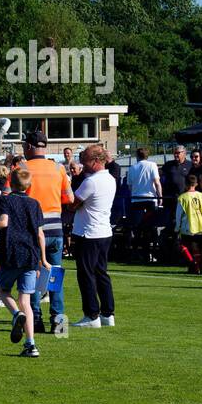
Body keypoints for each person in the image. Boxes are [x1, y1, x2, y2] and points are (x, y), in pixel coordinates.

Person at [0, 168, 47, 358]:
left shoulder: (5, 200)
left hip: (11, 253)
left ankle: (15, 314)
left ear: (10, 183)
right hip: (30, 255)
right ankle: (31, 344)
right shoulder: (35, 204)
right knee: (26, 301)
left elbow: (3, 222)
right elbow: (39, 233)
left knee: (4, 291)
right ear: (29, 187)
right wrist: (43, 259)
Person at [22, 130, 72, 334]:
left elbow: (8, 196)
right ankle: (59, 324)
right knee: (55, 276)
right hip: (56, 228)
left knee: (33, 276)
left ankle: (36, 320)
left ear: (31, 147)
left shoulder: (22, 167)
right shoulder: (58, 168)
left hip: (33, 229)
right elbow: (69, 198)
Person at [69, 143, 117, 327]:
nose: (83, 165)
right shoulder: (110, 179)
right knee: (101, 273)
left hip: (88, 233)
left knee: (86, 274)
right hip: (104, 232)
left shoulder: (91, 181)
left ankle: (91, 315)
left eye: (85, 161)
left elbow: (73, 203)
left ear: (96, 161)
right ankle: (107, 313)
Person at [125, 147, 161, 263]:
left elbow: (129, 186)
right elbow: (157, 182)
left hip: (136, 200)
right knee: (149, 228)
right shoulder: (152, 165)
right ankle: (148, 254)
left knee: (137, 229)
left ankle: (135, 253)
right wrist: (160, 197)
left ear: (137, 156)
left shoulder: (132, 168)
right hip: (150, 199)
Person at [175, 173, 202, 274]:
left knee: (184, 246)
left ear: (185, 184)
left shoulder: (182, 197)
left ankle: (193, 265)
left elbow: (178, 214)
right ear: (196, 184)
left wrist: (177, 227)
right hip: (201, 225)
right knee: (197, 248)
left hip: (188, 226)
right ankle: (198, 267)